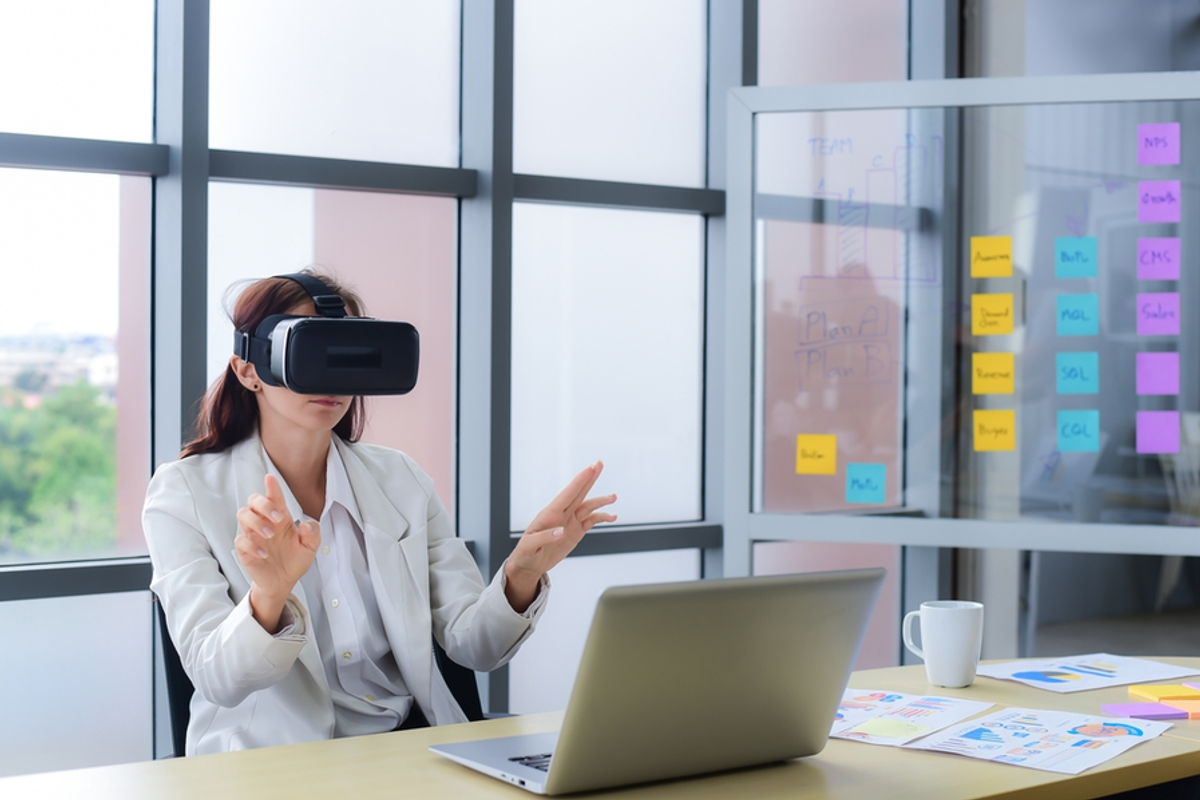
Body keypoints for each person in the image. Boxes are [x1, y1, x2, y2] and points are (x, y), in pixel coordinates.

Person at [143, 271, 617, 755]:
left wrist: (521, 574)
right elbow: (215, 678)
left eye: (348, 356)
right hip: (277, 764)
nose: (333, 378)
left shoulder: (401, 480)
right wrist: (269, 595)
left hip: (408, 752)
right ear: (248, 371)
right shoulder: (183, 495)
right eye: (313, 353)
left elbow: (474, 646)